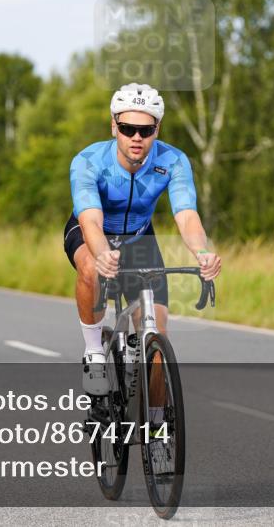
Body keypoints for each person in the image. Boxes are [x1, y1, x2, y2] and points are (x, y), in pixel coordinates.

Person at [65, 83, 222, 403]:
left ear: (157, 129)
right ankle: (94, 352)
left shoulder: (174, 161)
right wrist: (102, 253)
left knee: (157, 340)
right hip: (92, 232)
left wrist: (203, 252)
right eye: (127, 128)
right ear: (114, 126)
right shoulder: (89, 161)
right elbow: (90, 219)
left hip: (139, 237)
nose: (136, 137)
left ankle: (157, 429)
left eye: (146, 130)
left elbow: (187, 215)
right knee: (91, 270)